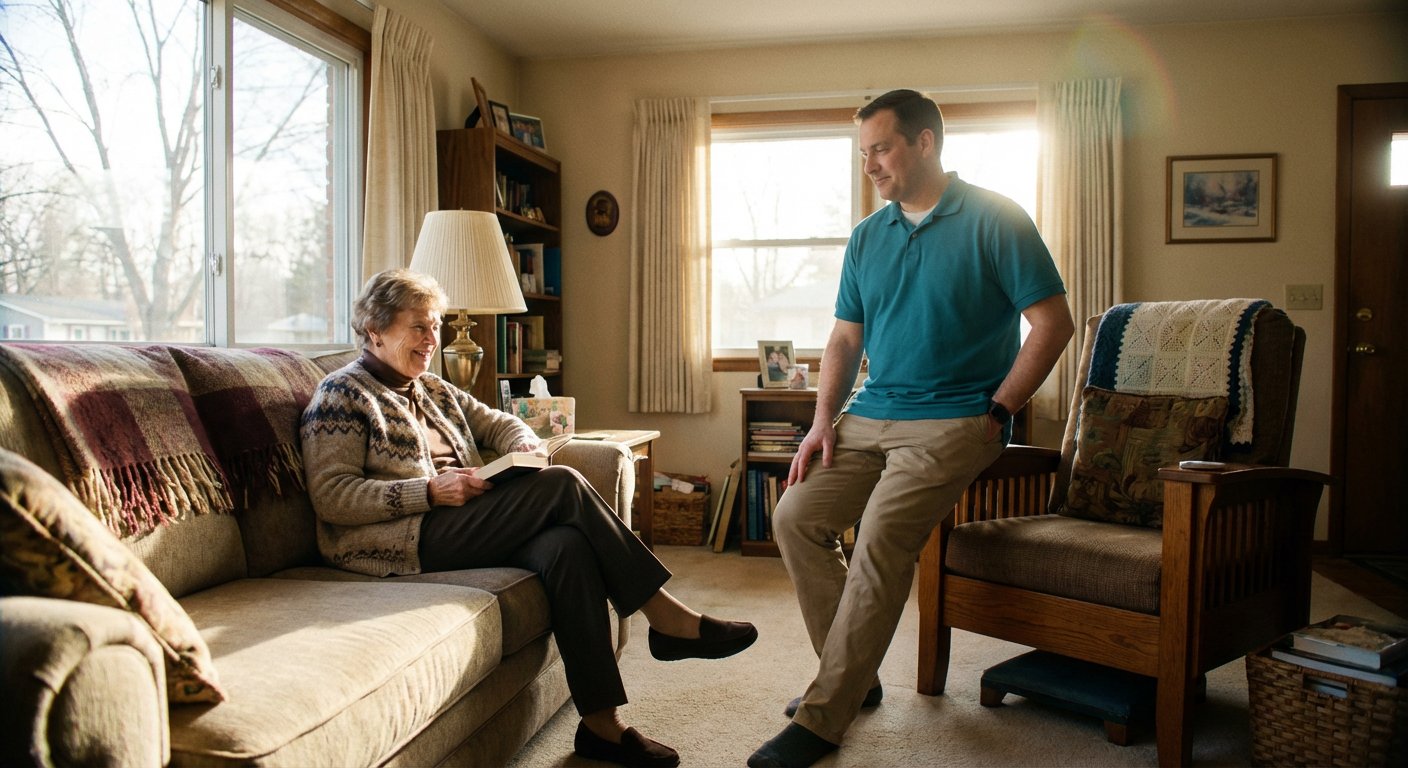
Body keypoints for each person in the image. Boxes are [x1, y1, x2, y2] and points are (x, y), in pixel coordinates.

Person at [301, 269, 757, 768]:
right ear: (375, 331)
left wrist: (524, 443)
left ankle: (602, 727)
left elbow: (500, 421)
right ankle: (666, 617)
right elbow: (332, 496)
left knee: (567, 547)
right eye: (418, 327)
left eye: (436, 326)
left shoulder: (433, 388)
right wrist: (428, 490)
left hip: (460, 520)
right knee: (562, 484)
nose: (432, 339)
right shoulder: (342, 394)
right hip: (402, 541)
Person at [747, 90, 1074, 768]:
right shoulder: (868, 236)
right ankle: (855, 676)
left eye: (882, 148)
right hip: (870, 413)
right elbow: (845, 339)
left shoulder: (996, 218)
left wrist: (999, 412)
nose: (870, 164)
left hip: (956, 418)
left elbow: (1053, 324)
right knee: (795, 517)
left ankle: (823, 716)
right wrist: (821, 423)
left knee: (881, 540)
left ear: (925, 142)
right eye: (863, 152)